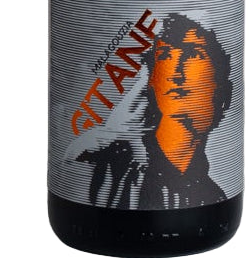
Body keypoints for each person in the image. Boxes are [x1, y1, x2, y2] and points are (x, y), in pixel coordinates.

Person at [76, 13, 233, 209]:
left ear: (224, 94)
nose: (176, 72)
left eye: (193, 54)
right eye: (165, 55)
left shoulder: (214, 196)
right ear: (149, 81)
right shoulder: (101, 162)